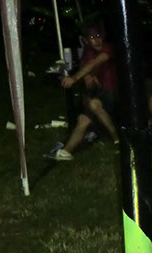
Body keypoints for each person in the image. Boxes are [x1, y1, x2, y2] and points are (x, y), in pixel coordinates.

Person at [55, 24, 119, 161]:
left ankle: (117, 138)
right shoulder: (88, 50)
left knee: (94, 104)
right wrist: (87, 74)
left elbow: (95, 63)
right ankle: (66, 152)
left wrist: (75, 77)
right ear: (86, 40)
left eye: (98, 36)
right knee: (83, 118)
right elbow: (85, 64)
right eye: (92, 37)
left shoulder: (108, 48)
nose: (97, 40)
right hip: (99, 94)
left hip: (115, 94)